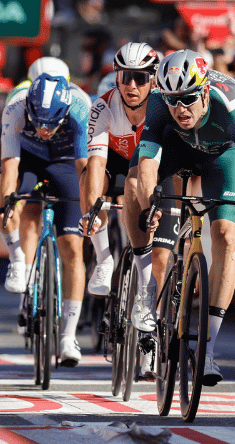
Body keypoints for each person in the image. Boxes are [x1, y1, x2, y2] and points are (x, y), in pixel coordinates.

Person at [125, 49, 235, 386]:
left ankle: (208, 350)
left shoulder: (233, 109)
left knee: (225, 235)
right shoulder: (160, 104)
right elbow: (148, 162)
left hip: (223, 158)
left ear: (205, 91)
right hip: (174, 149)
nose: (181, 108)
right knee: (134, 182)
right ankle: (146, 279)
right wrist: (151, 203)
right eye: (174, 99)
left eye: (189, 98)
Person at [0, 72, 90, 367]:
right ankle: (18, 260)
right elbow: (10, 165)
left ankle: (68, 335)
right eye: (38, 121)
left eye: (51, 123)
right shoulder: (16, 106)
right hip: (28, 158)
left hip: (65, 161)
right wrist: (9, 203)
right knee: (4, 194)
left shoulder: (81, 107)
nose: (44, 128)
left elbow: (86, 168)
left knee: (73, 245)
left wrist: (90, 210)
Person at [80, 42, 175, 298]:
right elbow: (97, 164)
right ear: (117, 78)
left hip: (153, 168)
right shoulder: (102, 106)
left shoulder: (165, 107)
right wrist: (92, 210)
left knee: (161, 257)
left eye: (140, 78)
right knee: (88, 177)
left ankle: (150, 313)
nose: (132, 85)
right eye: (125, 77)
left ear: (154, 80)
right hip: (116, 163)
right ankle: (103, 259)